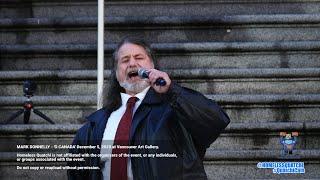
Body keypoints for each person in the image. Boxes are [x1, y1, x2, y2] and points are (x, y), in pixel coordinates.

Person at [67, 37, 230, 180]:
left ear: (152, 66)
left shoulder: (175, 109)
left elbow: (216, 120)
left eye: (139, 57)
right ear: (116, 73)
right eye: (124, 60)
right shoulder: (95, 125)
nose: (132, 63)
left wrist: (171, 90)